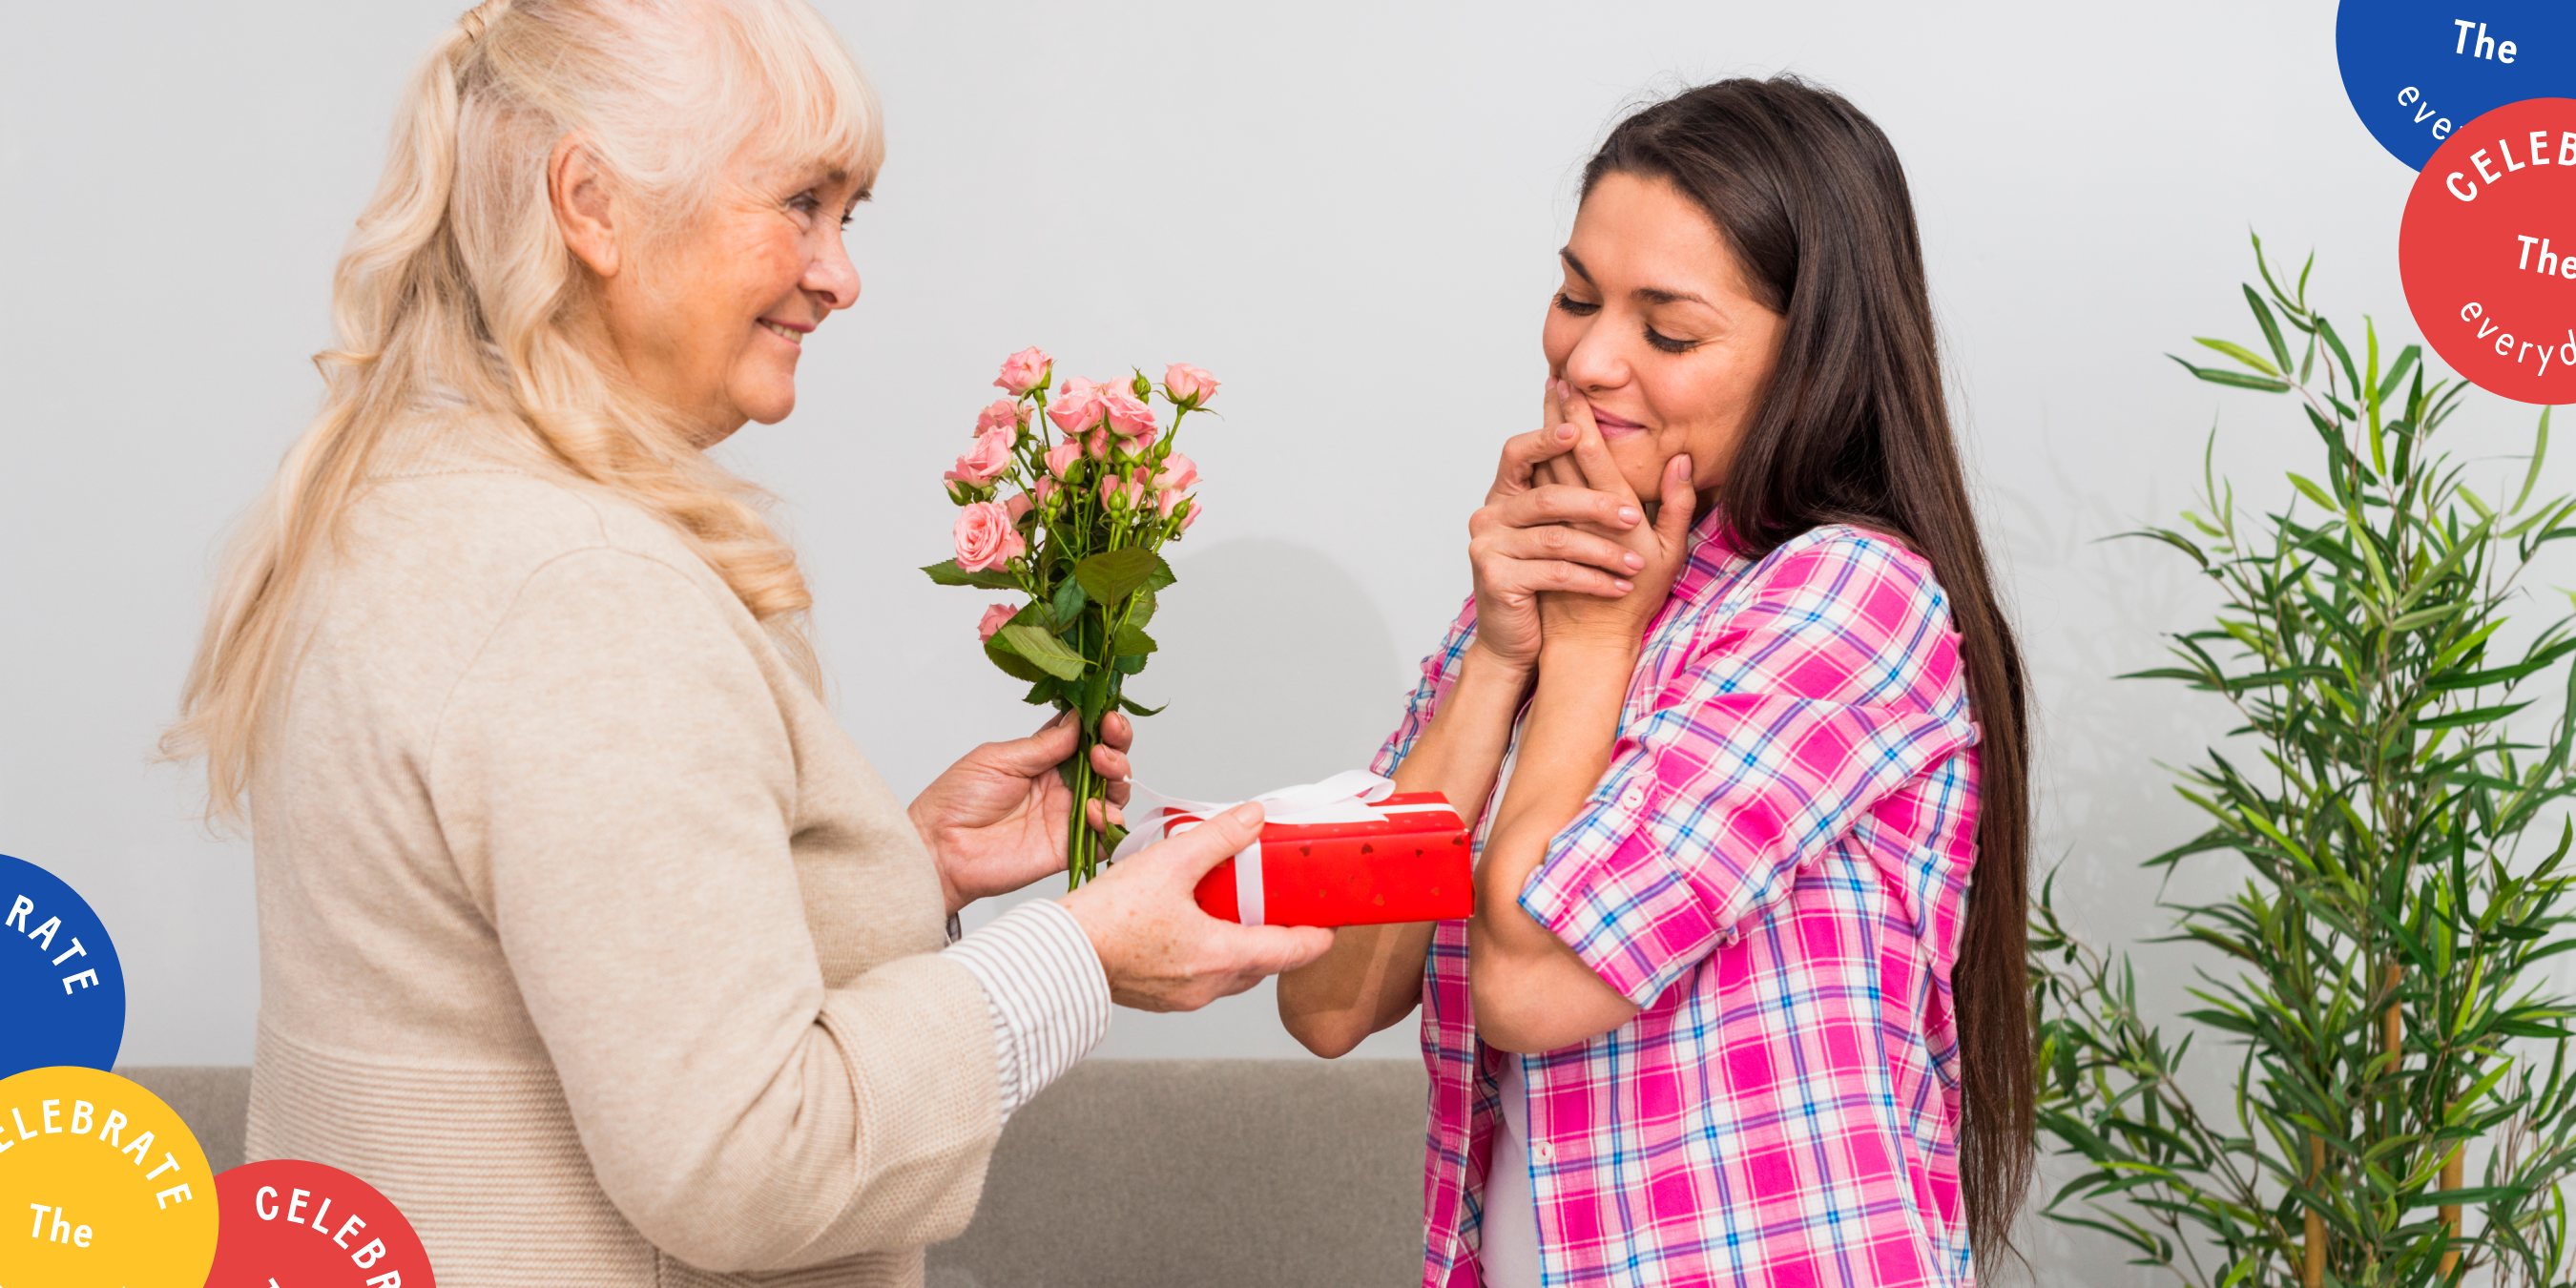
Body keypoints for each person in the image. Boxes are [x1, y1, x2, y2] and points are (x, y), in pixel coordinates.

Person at [160, 2, 1331, 1282]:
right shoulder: (579, 590)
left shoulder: (422, 505)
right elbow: (742, 1158)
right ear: (592, 204)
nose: (840, 273)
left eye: (850, 215)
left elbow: (568, 968)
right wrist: (1083, 956)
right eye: (801, 203)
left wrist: (898, 871)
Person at [1277, 77, 2035, 1288]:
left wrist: (1583, 656)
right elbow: (1325, 1001)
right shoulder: (1568, 589)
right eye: (1576, 296)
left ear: (1812, 358)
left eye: (1666, 330)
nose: (1587, 358)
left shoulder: (1845, 599)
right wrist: (1497, 662)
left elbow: (1529, 984)